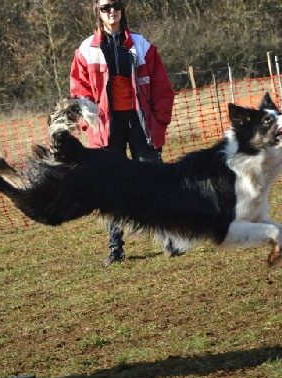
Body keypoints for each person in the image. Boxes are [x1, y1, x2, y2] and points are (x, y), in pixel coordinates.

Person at [70, 0, 182, 266]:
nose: (112, 11)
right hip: (107, 127)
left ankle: (168, 239)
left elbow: (162, 87)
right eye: (106, 7)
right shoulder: (86, 50)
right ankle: (115, 247)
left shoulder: (142, 45)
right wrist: (89, 124)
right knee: (110, 188)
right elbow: (79, 92)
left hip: (140, 122)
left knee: (154, 180)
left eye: (117, 5)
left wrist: (160, 121)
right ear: (97, 11)